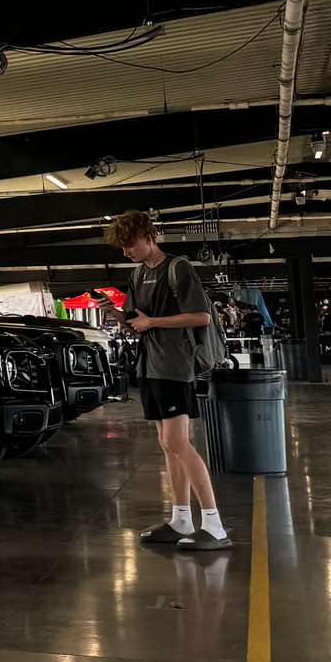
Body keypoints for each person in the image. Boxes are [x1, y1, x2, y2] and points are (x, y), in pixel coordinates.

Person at [105, 209, 229, 551]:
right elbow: (136, 321)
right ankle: (181, 519)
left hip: (175, 365)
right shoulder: (136, 275)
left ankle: (214, 524)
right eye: (122, 247)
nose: (126, 251)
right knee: (166, 443)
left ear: (149, 236)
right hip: (150, 366)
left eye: (130, 244)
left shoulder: (178, 268)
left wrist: (153, 323)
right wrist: (118, 315)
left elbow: (201, 316)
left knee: (178, 443)